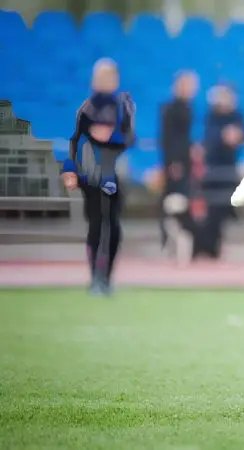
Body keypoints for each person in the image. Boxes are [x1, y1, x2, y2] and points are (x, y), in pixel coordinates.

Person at [60, 58, 136, 296]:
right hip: (91, 175)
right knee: (95, 225)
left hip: (112, 171)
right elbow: (75, 140)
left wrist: (110, 136)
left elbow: (128, 138)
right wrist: (69, 169)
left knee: (113, 227)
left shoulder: (122, 105)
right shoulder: (87, 108)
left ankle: (107, 278)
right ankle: (95, 277)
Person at [197, 84, 244, 259]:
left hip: (229, 168)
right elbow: (209, 140)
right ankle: (207, 248)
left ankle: (215, 247)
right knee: (211, 211)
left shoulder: (237, 116)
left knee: (225, 209)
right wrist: (222, 137)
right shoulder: (212, 117)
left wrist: (236, 137)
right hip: (213, 168)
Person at [158, 71, 199, 262]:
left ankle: (183, 245)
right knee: (172, 205)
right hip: (175, 163)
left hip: (184, 162)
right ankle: (168, 243)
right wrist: (173, 162)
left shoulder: (188, 108)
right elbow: (169, 138)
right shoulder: (170, 109)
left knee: (182, 203)